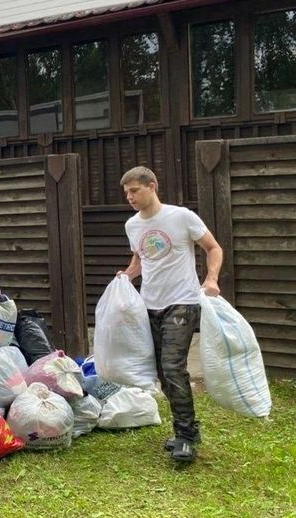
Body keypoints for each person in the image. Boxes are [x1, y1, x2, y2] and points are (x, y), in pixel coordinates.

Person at [117, 166, 222, 464]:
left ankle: (186, 437)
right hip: (149, 305)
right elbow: (140, 259)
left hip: (183, 302)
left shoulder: (181, 217)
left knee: (173, 367)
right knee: (163, 373)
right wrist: (126, 276)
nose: (130, 197)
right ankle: (187, 430)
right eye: (127, 193)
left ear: (152, 186)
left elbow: (213, 248)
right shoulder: (131, 225)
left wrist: (212, 278)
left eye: (134, 190)